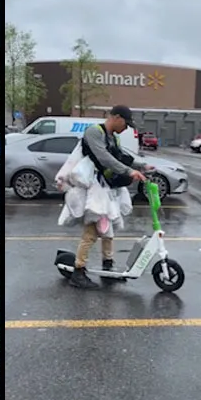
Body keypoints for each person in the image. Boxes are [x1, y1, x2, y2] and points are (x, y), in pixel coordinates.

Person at [69, 105, 153, 289]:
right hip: (94, 189)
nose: (126, 128)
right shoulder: (94, 132)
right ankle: (78, 271)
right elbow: (105, 158)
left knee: (109, 229)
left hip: (107, 189)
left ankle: (108, 266)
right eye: (126, 123)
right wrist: (130, 172)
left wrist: (142, 165)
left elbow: (121, 156)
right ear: (115, 117)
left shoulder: (113, 137)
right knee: (91, 231)